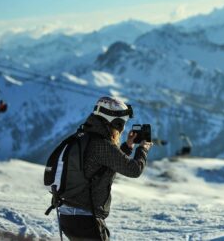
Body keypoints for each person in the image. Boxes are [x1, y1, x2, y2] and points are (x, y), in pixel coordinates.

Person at [58, 96, 153, 240]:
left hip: (67, 216)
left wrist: (127, 146)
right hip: (86, 219)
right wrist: (143, 149)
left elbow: (105, 165)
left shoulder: (84, 136)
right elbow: (134, 170)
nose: (120, 130)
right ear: (114, 122)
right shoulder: (101, 143)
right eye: (121, 124)